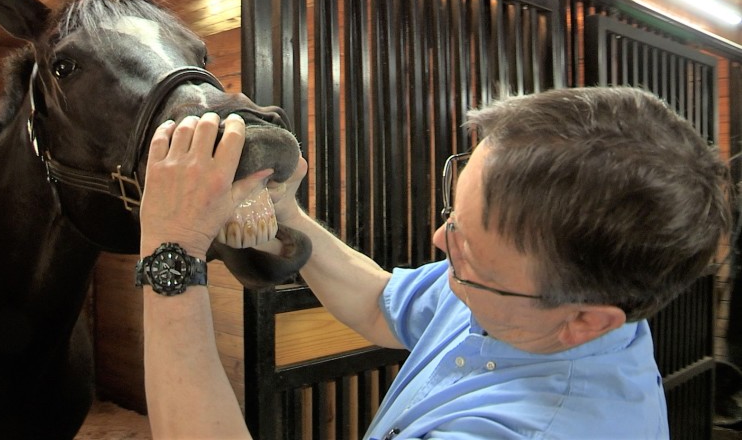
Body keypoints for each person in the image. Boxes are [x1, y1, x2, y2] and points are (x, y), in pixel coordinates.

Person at [137, 87, 731, 439]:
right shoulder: (533, 303)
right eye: (456, 209)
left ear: (585, 319)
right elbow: (378, 304)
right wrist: (287, 213)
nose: (440, 237)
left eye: (469, 250)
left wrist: (172, 248)